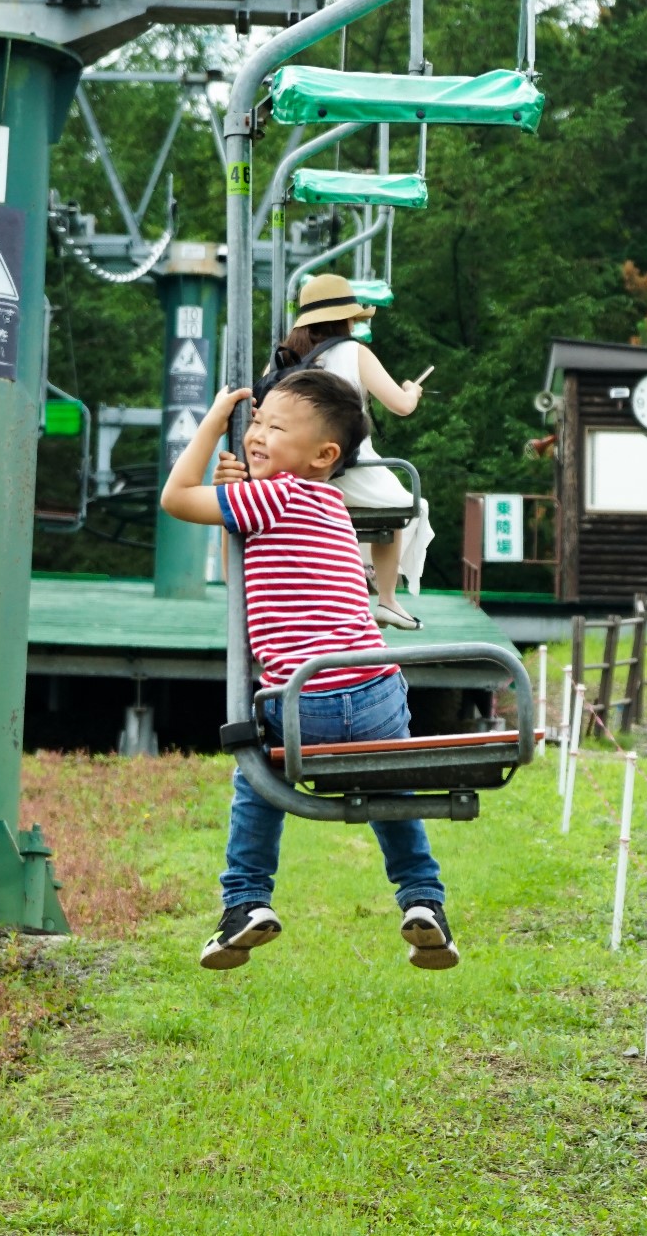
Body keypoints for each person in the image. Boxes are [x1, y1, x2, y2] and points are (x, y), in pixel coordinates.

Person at [159, 373, 459, 973]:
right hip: (373, 690)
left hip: (301, 700)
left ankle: (245, 901)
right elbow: (239, 563)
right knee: (389, 783)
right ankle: (423, 900)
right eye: (255, 422)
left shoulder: (275, 496)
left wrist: (212, 423)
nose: (257, 435)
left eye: (275, 427)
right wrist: (235, 487)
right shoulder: (331, 506)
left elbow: (175, 498)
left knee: (257, 777)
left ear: (324, 455)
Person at [282, 273, 434, 631]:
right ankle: (387, 598)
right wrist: (412, 390)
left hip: (291, 476)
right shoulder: (354, 352)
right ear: (345, 318)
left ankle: (345, 582)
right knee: (405, 504)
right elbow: (400, 405)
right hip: (350, 472)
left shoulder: (285, 356)